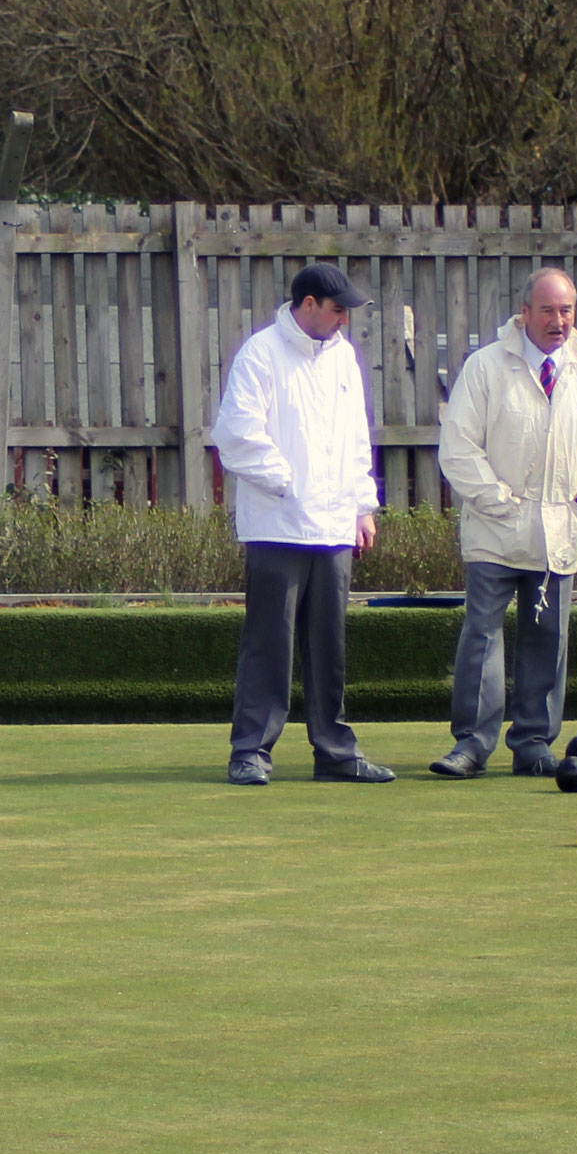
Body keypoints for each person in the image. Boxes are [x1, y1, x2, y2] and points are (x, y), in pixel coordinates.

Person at [430, 267, 577, 778]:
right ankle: (471, 745)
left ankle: (534, 742)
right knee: (482, 637)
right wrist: (499, 502)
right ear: (525, 313)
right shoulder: (486, 366)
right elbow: (458, 447)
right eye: (548, 310)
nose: (559, 321)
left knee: (546, 640)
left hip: (559, 532)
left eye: (567, 310)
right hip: (495, 530)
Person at [211, 262, 392, 786]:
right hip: (277, 524)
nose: (344, 321)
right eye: (337, 310)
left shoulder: (344, 359)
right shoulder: (261, 354)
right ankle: (250, 750)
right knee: (269, 642)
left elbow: (356, 439)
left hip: (334, 527)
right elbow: (237, 435)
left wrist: (362, 504)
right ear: (307, 304)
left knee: (329, 645)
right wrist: (292, 485)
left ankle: (335, 751)